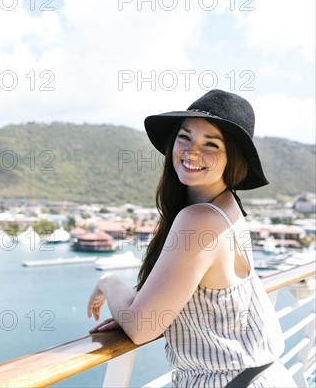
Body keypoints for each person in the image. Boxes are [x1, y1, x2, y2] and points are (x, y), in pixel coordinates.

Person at [87, 89, 297, 387]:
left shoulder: (200, 220)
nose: (191, 151)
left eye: (211, 144)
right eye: (185, 137)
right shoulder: (227, 207)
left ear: (232, 158)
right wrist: (140, 305)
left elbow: (140, 327)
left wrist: (107, 282)